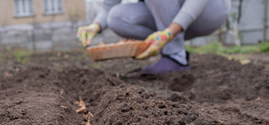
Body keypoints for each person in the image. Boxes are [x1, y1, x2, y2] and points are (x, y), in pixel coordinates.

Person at [77, 0, 231, 74]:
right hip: (170, 16)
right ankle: (172, 49)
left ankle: (175, 56)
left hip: (208, 11)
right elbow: (108, 8)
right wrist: (94, 26)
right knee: (117, 18)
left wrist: (169, 32)